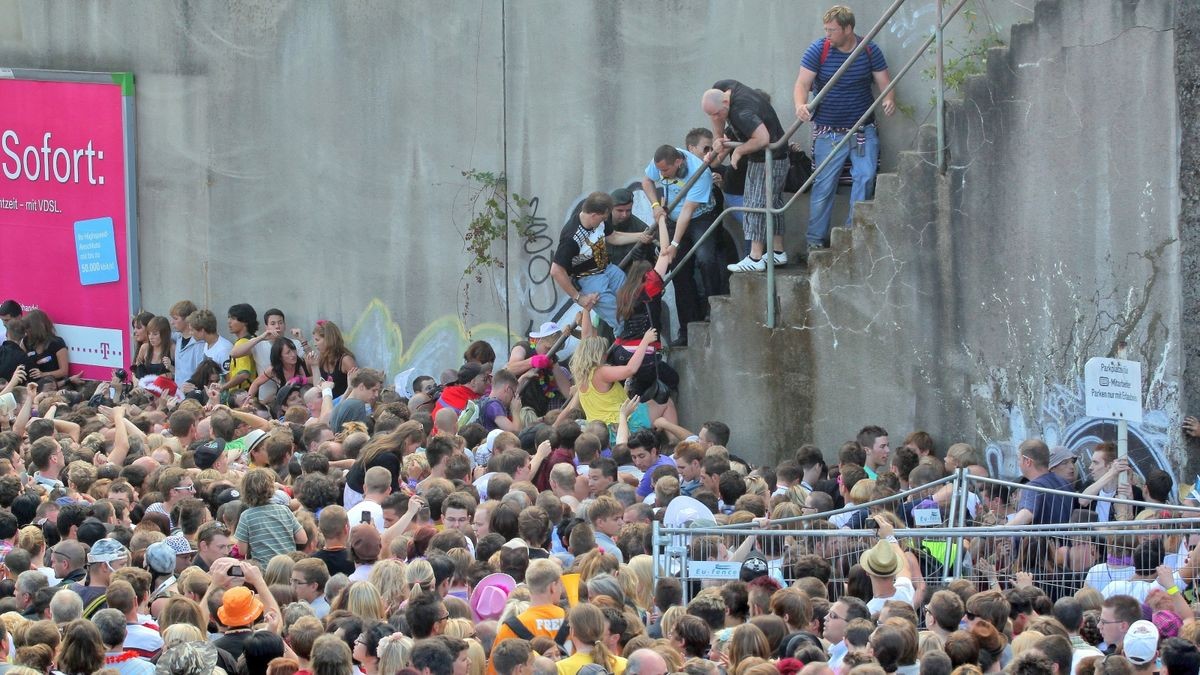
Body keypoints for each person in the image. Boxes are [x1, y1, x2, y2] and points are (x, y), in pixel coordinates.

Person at [794, 4, 896, 250]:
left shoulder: (868, 50)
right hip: (828, 132)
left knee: (866, 178)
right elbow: (802, 83)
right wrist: (800, 105)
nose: (827, 34)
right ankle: (815, 243)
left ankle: (852, 236)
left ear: (848, 28)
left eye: (833, 30)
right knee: (823, 187)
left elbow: (885, 82)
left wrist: (890, 98)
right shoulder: (819, 50)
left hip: (863, 130)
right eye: (826, 29)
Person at [701, 81, 788, 272]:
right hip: (771, 157)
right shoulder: (724, 87)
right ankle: (778, 252)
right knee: (772, 203)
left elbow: (762, 139)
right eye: (710, 115)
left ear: (726, 102)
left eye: (717, 114)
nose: (715, 118)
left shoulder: (742, 112)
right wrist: (719, 139)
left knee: (755, 205)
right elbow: (717, 119)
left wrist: (739, 151)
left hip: (768, 159)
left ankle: (755, 257)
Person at [641, 144, 719, 345]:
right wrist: (656, 205)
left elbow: (688, 210)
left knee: (705, 259)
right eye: (659, 170)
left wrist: (674, 243)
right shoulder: (661, 160)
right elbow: (647, 181)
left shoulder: (700, 172)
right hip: (675, 218)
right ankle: (686, 328)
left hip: (700, 217)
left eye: (665, 171)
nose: (661, 174)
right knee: (679, 271)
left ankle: (714, 308)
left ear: (678, 162)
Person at [550, 191, 650, 333]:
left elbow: (613, 237)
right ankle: (626, 351)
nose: (604, 221)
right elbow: (556, 271)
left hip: (608, 269)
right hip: (589, 279)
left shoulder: (599, 222)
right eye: (602, 218)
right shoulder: (571, 238)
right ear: (593, 215)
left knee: (633, 301)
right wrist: (579, 298)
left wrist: (640, 236)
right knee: (619, 319)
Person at [608, 208, 679, 401]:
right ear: (647, 274)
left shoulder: (624, 292)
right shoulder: (650, 287)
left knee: (638, 393)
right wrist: (661, 221)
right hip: (644, 353)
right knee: (670, 382)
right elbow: (665, 253)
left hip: (621, 352)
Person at [506, 323, 573, 417]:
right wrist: (531, 362)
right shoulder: (523, 347)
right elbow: (510, 368)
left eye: (554, 350)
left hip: (539, 413)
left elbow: (567, 391)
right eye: (548, 348)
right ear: (540, 340)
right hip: (518, 409)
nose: (549, 352)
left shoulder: (552, 358)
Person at [308, 320, 356, 398]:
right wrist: (314, 366)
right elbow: (318, 389)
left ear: (328, 340)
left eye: (317, 340)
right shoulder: (322, 358)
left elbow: (357, 389)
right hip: (327, 405)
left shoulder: (345, 360)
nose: (315, 344)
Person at [23, 309, 70, 382]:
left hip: (54, 384)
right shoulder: (26, 341)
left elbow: (64, 371)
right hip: (33, 384)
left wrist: (44, 374)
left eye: (28, 329)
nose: (26, 332)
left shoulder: (57, 342)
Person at [132, 315, 174, 380]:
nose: (151, 337)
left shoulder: (172, 348)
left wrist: (170, 367)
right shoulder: (145, 348)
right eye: (149, 333)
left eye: (155, 334)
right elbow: (135, 371)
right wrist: (136, 382)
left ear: (164, 334)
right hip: (144, 387)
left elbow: (181, 373)